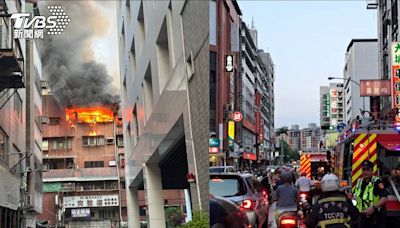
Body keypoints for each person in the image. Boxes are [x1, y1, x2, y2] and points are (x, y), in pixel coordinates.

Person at [351, 160, 388, 228]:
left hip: (375, 217)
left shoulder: (377, 182)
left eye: (368, 170)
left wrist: (373, 208)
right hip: (362, 217)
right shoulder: (359, 181)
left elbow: (385, 198)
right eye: (364, 170)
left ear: (372, 171)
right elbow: (354, 195)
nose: (365, 172)